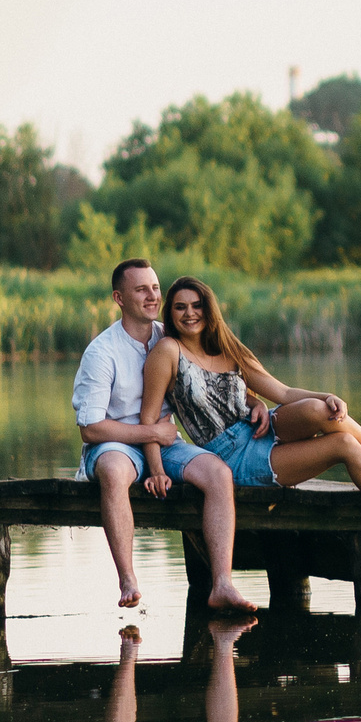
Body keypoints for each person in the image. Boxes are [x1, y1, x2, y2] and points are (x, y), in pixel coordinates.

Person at [141, 276, 361, 546]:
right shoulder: (168, 351)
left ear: (209, 309)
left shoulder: (228, 348)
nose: (189, 313)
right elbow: (149, 418)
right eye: (180, 308)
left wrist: (327, 395)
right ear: (170, 314)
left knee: (319, 410)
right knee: (343, 446)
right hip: (231, 455)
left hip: (260, 427)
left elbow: (282, 392)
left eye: (196, 305)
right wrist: (156, 469)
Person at [73, 259, 251, 610]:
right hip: (114, 444)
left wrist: (254, 401)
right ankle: (127, 578)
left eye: (155, 287)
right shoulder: (101, 352)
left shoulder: (168, 337)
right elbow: (90, 428)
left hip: (165, 443)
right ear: (119, 297)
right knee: (113, 471)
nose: (152, 295)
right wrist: (149, 431)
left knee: (218, 473)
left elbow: (217, 373)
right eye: (141, 289)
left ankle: (222, 584)